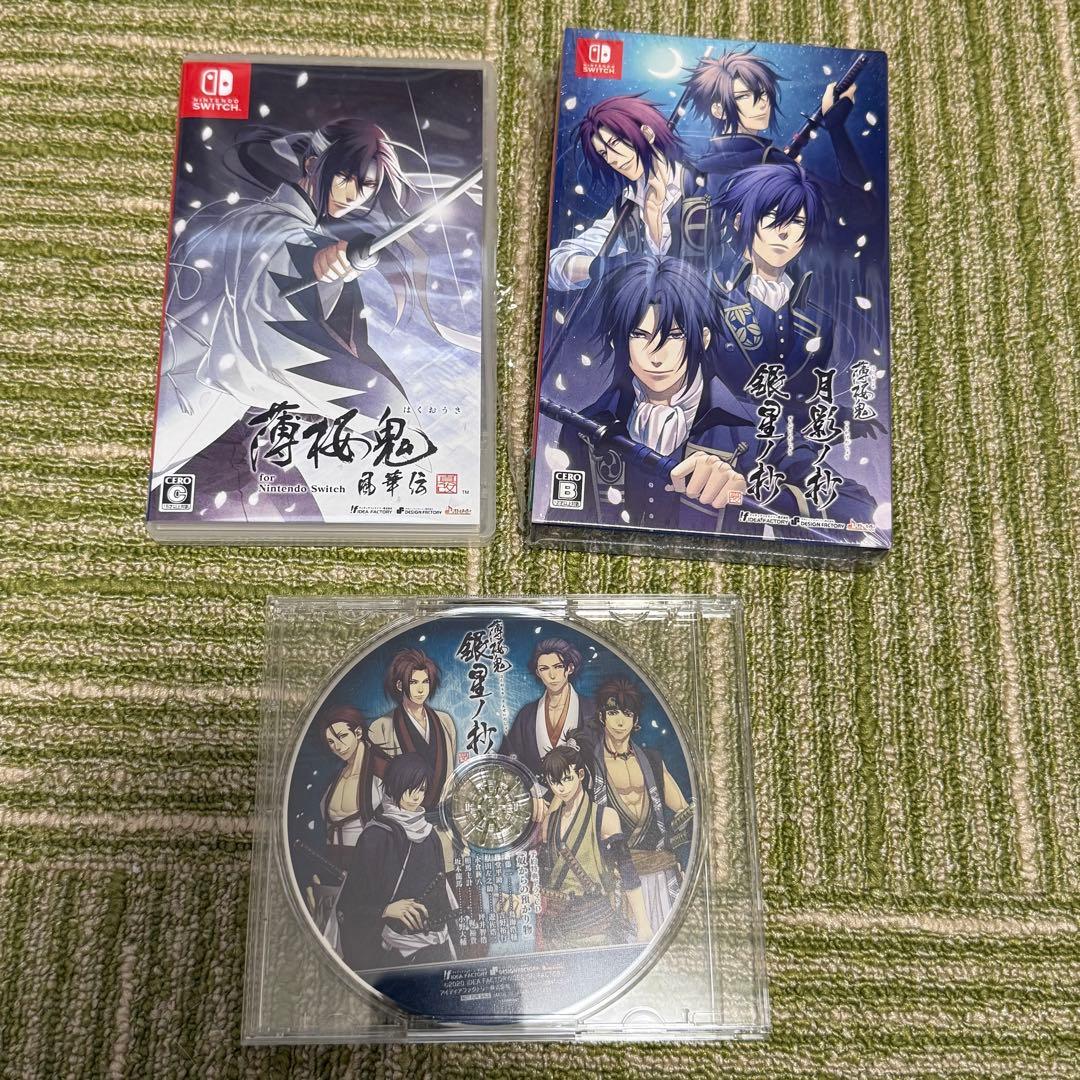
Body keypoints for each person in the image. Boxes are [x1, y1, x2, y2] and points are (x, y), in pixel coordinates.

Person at [152, 117, 438, 515]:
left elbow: (284, 275)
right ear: (312, 164)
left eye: (367, 185)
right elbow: (274, 278)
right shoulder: (271, 228)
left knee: (301, 516)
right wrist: (316, 262)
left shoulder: (262, 221)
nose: (353, 194)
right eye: (344, 177)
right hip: (189, 401)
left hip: (226, 412)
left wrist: (330, 269)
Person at [710, 161, 881, 523]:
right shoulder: (705, 296)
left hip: (787, 451)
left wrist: (843, 418)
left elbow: (800, 401)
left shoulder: (818, 321)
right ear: (740, 221)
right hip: (718, 445)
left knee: (861, 507)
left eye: (798, 223)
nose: (785, 233)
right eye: (773, 218)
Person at [554, 253, 751, 531]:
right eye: (639, 335)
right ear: (618, 340)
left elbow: (813, 505)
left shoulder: (751, 429)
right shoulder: (583, 429)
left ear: (703, 339)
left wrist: (744, 489)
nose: (656, 356)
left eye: (674, 335)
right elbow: (563, 521)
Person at [547, 94, 714, 293]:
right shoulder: (627, 207)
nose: (612, 159)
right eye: (604, 153)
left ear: (647, 134)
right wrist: (597, 266)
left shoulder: (706, 189)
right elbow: (555, 263)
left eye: (615, 143)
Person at [336, 754, 459, 971]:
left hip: (433, 942)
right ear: (394, 785)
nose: (415, 797)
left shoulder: (430, 835)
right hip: (389, 949)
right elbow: (350, 905)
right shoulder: (375, 836)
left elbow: (440, 889)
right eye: (409, 788)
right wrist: (386, 910)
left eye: (421, 789)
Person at [589, 678, 693, 934]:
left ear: (635, 719)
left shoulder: (652, 761)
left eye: (627, 714)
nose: (620, 721)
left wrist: (683, 858)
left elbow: (684, 813)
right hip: (617, 876)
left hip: (659, 871)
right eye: (613, 713)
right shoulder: (589, 764)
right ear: (602, 716)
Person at [684, 50, 869, 190]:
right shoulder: (772, 161)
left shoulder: (698, 169)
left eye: (764, 92)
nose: (762, 103)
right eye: (744, 96)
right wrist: (836, 126)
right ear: (719, 110)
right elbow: (863, 210)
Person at [536, 746, 651, 951]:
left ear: (580, 774)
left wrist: (643, 925)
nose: (561, 788)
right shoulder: (549, 823)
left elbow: (627, 871)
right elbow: (543, 875)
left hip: (597, 922)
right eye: (554, 782)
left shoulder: (605, 817)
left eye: (567, 779)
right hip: (558, 927)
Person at [367, 648, 457, 808]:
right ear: (400, 685)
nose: (421, 689)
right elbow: (380, 781)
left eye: (425, 681)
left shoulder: (445, 721)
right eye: (413, 682)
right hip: (403, 814)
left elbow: (450, 770)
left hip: (442, 810)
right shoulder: (381, 727)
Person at [500, 638, 594, 780]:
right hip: (536, 792)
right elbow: (509, 758)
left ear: (570, 668)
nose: (552, 675)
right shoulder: (527, 715)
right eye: (544, 669)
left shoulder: (590, 710)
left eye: (558, 667)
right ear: (538, 673)